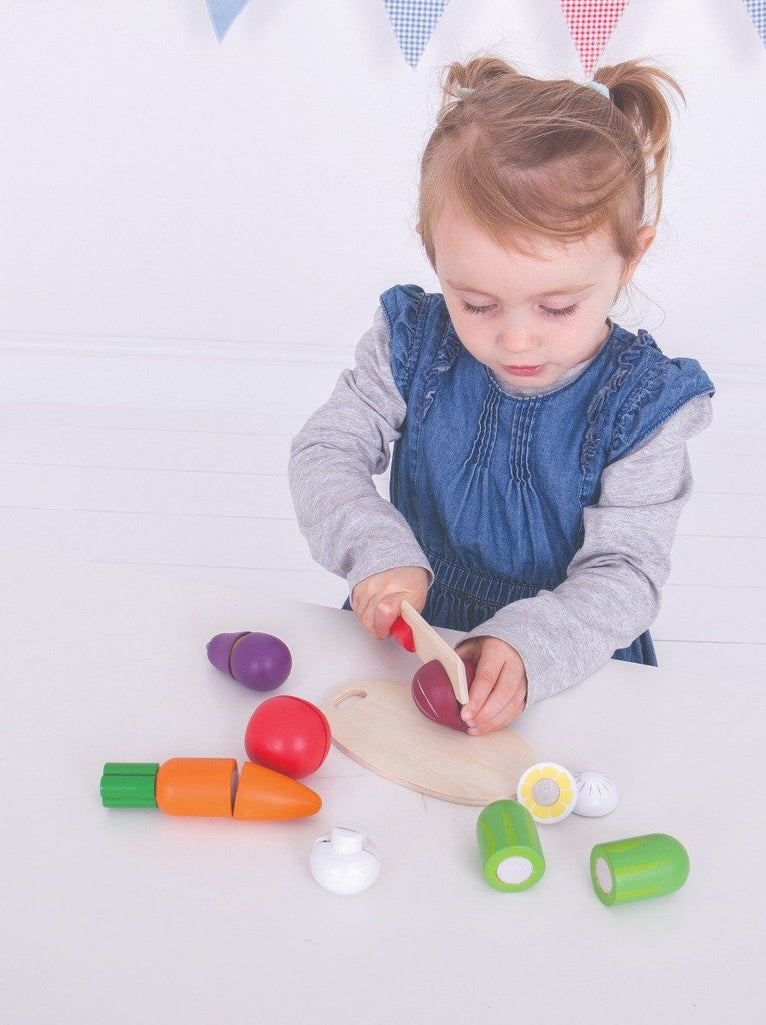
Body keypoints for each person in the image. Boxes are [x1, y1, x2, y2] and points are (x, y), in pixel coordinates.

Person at [289, 56, 715, 737]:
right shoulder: (412, 344)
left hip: (564, 663)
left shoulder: (644, 405)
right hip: (408, 642)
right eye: (478, 302)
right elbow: (324, 451)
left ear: (630, 259)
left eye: (557, 306)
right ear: (434, 257)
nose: (517, 341)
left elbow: (627, 573)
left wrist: (527, 647)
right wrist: (377, 551)